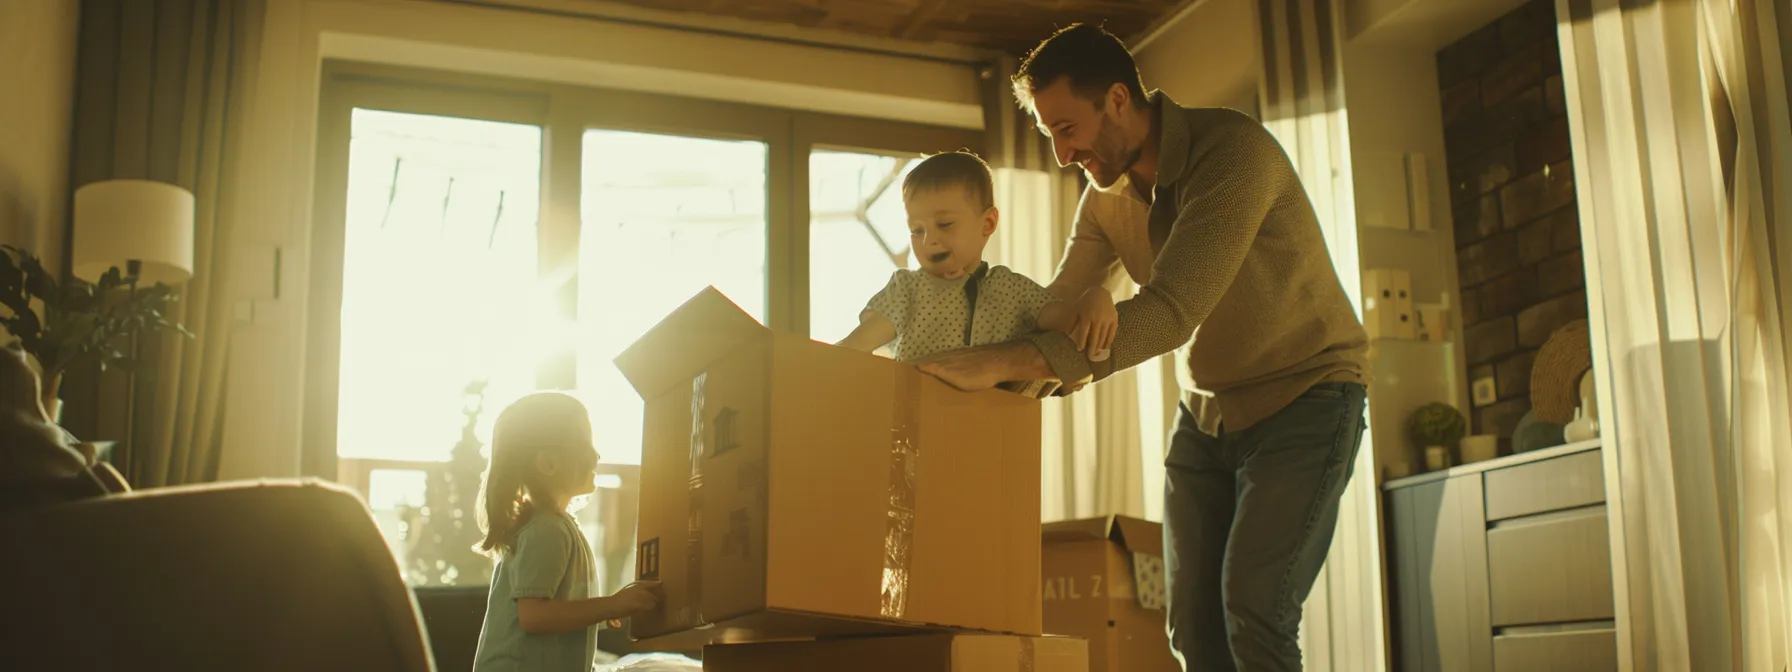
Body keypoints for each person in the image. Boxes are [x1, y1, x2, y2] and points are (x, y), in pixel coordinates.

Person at [911, 24, 1371, 671]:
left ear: (1120, 102)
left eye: (1067, 129)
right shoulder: (1106, 203)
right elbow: (1056, 308)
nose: (1062, 155)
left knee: (1255, 610)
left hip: (1307, 398)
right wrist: (961, 372)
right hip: (1207, 416)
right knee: (1190, 628)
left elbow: (1172, 312)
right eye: (1050, 137)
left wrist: (1006, 362)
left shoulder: (1234, 155)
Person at [837, 150, 1118, 369]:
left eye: (944, 224)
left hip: (991, 430)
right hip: (916, 429)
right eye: (916, 229)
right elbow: (854, 348)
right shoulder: (905, 290)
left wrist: (1096, 297)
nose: (928, 240)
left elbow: (1069, 320)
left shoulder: (1012, 290)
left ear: (987, 224)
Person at [472, 391, 661, 672]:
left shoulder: (556, 527)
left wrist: (608, 608)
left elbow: (555, 610)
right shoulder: (547, 531)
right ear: (548, 463)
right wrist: (610, 605)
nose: (596, 454)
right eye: (586, 443)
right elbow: (534, 616)